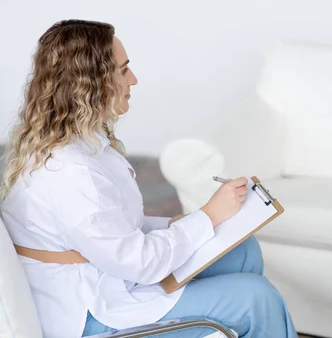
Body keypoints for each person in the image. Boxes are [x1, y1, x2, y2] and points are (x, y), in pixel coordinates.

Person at [0, 20, 298, 338]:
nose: (134, 79)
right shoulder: (71, 175)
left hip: (107, 275)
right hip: (91, 311)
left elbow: (113, 229)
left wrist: (179, 224)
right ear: (93, 82)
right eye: (124, 70)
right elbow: (139, 262)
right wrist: (208, 216)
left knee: (243, 251)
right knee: (257, 299)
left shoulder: (79, 142)